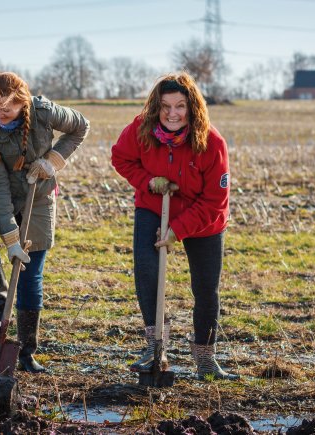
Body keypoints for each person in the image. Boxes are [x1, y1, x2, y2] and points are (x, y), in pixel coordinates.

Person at [110, 72, 239, 380]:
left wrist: (176, 230)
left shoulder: (212, 143)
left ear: (192, 108)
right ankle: (156, 348)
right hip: (154, 205)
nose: (172, 113)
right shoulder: (141, 129)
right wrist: (148, 182)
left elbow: (214, 202)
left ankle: (206, 360)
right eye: (165, 106)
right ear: (156, 106)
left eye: (180, 106)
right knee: (146, 269)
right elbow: (121, 158)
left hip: (204, 218)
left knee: (206, 288)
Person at [0, 72, 89, 373]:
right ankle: (0, 301)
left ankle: (25, 351)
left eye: (6, 107)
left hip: (38, 190)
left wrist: (54, 160)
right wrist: (10, 235)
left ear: (22, 101)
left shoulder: (45, 111)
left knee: (31, 273)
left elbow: (81, 127)